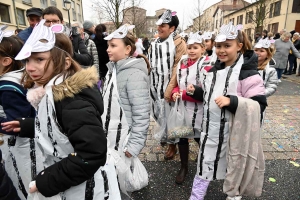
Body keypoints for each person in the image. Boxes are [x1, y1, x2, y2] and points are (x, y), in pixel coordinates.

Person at [2, 20, 108, 199]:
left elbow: (92, 154)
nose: (30, 67)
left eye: (39, 59)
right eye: (28, 60)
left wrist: (47, 181)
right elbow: (62, 128)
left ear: (66, 63)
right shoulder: (52, 90)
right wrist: (30, 126)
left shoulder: (71, 101)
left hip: (82, 189)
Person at [188, 22, 267, 200]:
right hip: (211, 132)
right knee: (204, 165)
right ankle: (196, 196)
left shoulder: (248, 74)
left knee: (234, 166)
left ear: (239, 46)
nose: (221, 50)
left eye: (227, 46)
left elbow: (258, 105)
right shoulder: (214, 71)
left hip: (234, 136)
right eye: (218, 46)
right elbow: (210, 97)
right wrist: (197, 92)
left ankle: (233, 195)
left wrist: (232, 101)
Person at [102, 24, 150, 196]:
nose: (108, 49)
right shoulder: (113, 70)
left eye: (113, 46)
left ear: (128, 49)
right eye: (108, 45)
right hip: (109, 136)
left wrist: (134, 145)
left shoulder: (134, 75)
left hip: (124, 140)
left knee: (119, 179)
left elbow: (142, 114)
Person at [0, 26, 41, 200]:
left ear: (6, 61)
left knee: (23, 186)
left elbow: (18, 123)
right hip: (28, 147)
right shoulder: (20, 77)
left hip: (20, 148)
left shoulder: (7, 86)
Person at [149, 9, 187, 160]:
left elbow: (178, 67)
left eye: (163, 25)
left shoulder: (179, 43)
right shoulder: (155, 42)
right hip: (155, 86)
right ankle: (166, 136)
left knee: (172, 117)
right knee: (158, 114)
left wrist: (169, 90)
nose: (159, 27)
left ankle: (174, 145)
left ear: (172, 28)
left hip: (170, 88)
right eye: (159, 24)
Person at [170, 32, 206, 184]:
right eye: (189, 47)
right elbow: (177, 84)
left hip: (198, 111)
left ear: (202, 49)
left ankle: (205, 162)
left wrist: (183, 94)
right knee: (182, 138)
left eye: (195, 47)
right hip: (182, 110)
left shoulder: (206, 65)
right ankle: (184, 166)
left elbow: (205, 93)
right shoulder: (183, 62)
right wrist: (174, 93)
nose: (191, 51)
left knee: (199, 137)